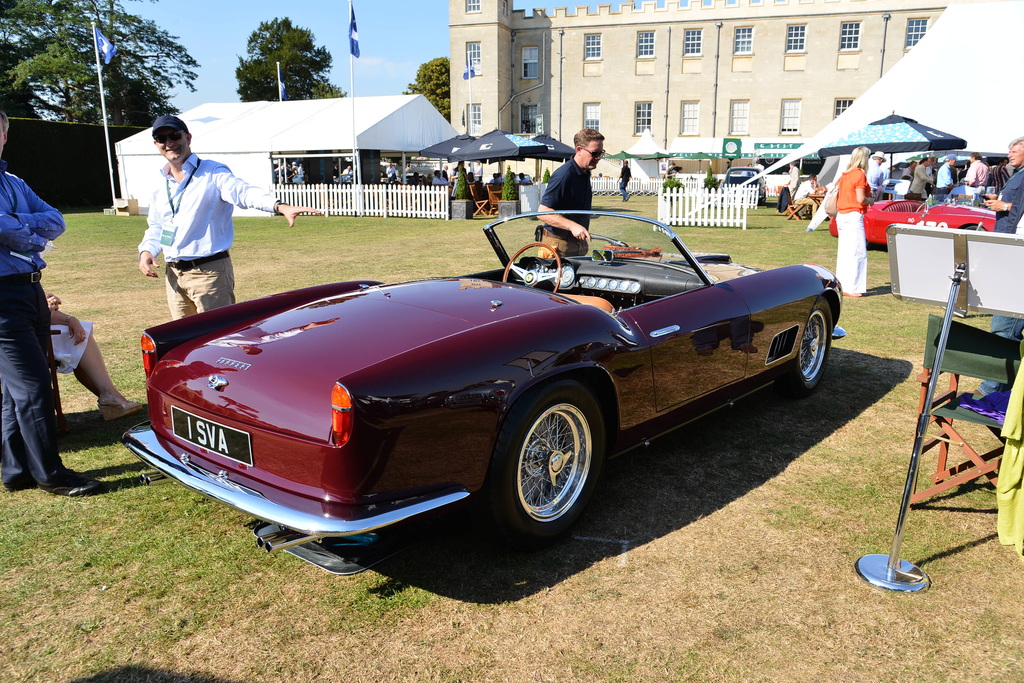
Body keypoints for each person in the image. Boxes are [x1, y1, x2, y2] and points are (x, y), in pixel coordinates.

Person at [0, 109, 102, 496]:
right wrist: (28, 229)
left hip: (29, 290)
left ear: (5, 136)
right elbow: (21, 227)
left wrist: (15, 225)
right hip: (2, 296)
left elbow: (56, 220)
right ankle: (51, 475)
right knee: (32, 385)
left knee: (15, 390)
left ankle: (17, 470)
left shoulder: (13, 182)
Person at [138, 115, 322, 320]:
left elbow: (243, 192)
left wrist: (279, 206)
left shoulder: (213, 172)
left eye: (174, 135)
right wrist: (147, 251)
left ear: (188, 137)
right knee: (184, 343)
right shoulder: (160, 183)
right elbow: (156, 226)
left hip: (209, 274)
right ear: (156, 144)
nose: (169, 143)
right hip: (173, 275)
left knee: (216, 338)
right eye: (162, 139)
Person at [45, 294, 142, 421]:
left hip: (36, 332)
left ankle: (109, 396)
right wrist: (47, 310)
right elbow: (32, 318)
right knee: (78, 341)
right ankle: (109, 396)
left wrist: (70, 319)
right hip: (24, 342)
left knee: (80, 333)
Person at [979, 137, 1024, 393]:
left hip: (1016, 253)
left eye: (1014, 150)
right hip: (1009, 249)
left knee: (1005, 326)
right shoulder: (1017, 174)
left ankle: (991, 388)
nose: (1009, 154)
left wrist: (1005, 204)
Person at [538, 128, 604, 257]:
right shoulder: (564, 175)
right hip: (557, 246)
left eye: (601, 153)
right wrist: (573, 226)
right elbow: (543, 212)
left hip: (576, 243)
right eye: (595, 153)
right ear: (579, 150)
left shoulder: (585, 171)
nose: (598, 158)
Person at [834, 146, 873, 298]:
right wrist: (871, 200)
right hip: (853, 215)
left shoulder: (845, 174)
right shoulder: (859, 174)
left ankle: (843, 284)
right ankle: (853, 287)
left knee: (845, 252)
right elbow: (860, 198)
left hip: (842, 215)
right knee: (858, 252)